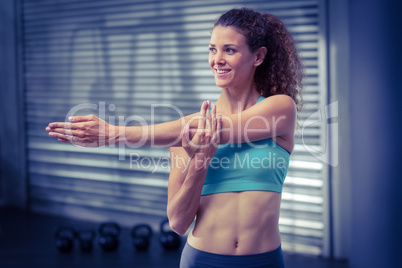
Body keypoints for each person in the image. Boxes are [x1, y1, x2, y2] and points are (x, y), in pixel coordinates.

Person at [46, 7, 303, 268]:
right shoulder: (181, 135)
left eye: (230, 50)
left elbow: (215, 129)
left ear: (258, 56)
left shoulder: (280, 108)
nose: (217, 59)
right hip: (202, 260)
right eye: (212, 49)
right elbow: (178, 223)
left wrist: (113, 133)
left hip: (265, 261)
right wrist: (200, 162)